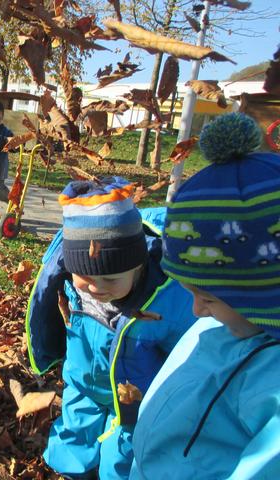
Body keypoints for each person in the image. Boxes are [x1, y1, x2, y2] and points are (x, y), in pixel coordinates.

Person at [130, 113, 280, 479]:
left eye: (209, 297)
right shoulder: (226, 325)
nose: (197, 310)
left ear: (263, 293)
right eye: (191, 292)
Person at [26, 177, 197, 479]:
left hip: (133, 398)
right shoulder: (69, 283)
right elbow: (49, 310)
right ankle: (71, 472)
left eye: (111, 280)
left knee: (122, 454)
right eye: (85, 277)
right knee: (75, 430)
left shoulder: (164, 299)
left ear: (139, 266)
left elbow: (185, 349)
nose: (96, 288)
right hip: (82, 382)